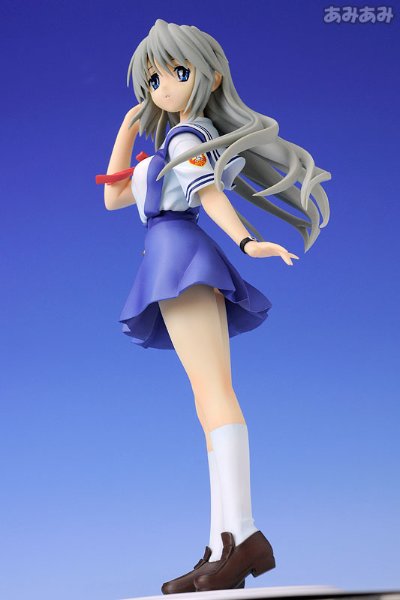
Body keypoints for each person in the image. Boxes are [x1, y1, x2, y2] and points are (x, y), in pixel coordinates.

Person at [98, 18, 331, 593]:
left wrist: (249, 242)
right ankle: (219, 541)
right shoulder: (166, 148)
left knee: (214, 393)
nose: (164, 87)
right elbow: (113, 196)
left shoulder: (186, 140)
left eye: (177, 72)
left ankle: (243, 534)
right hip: (169, 259)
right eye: (154, 79)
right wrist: (127, 128)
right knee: (207, 399)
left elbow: (211, 194)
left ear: (210, 76)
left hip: (181, 261)